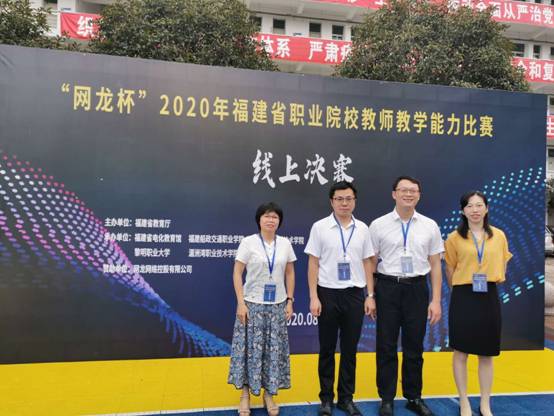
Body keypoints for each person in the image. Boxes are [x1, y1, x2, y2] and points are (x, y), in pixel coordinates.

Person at [368, 176, 443, 416]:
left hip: (417, 289)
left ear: (419, 195)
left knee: (414, 346)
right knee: (386, 345)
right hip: (387, 287)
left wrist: (436, 300)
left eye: (413, 191)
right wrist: (370, 295)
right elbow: (370, 262)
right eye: (404, 190)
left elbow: (435, 264)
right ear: (394, 194)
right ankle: (386, 398)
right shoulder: (378, 225)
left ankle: (413, 396)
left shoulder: (430, 225)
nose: (408, 194)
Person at [305, 181, 376, 416]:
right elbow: (313, 263)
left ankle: (346, 398)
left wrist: (370, 295)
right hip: (327, 293)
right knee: (326, 348)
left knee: (349, 349)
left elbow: (367, 262)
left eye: (348, 199)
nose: (344, 203)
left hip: (355, 294)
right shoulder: (320, 227)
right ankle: (326, 398)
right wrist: (313, 296)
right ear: (331, 201)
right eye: (339, 199)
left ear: (355, 201)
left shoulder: (363, 228)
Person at [444, 191, 512, 416]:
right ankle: (463, 401)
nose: (475, 210)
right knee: (460, 352)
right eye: (470, 206)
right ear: (463, 211)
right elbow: (450, 268)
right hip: (463, 297)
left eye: (479, 205)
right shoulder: (454, 238)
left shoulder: (499, 236)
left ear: (487, 208)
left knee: (486, 353)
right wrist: (459, 289)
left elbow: (503, 263)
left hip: (488, 296)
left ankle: (485, 403)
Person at [228, 202, 296, 416]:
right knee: (249, 352)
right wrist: (241, 302)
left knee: (272, 352)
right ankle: (245, 396)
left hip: (277, 306)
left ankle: (269, 394)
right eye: (267, 216)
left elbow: (290, 273)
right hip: (252, 305)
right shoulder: (248, 242)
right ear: (259, 219)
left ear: (279, 221)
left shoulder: (285, 244)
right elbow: (237, 273)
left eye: (275, 217)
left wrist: (290, 300)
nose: (270, 220)